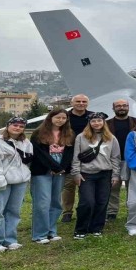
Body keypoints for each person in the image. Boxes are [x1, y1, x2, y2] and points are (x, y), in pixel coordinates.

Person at [0, 116, 33, 253]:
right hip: (1, 182)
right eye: (15, 125)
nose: (18, 128)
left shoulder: (25, 142)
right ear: (8, 125)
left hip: (19, 181)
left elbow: (27, 160)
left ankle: (9, 239)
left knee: (13, 212)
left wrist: (26, 176)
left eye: (21, 126)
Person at [71, 112, 120, 239]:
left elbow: (115, 157)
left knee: (102, 202)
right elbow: (76, 156)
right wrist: (76, 173)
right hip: (87, 174)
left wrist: (115, 175)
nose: (96, 123)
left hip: (105, 173)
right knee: (87, 202)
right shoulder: (81, 137)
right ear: (89, 123)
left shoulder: (111, 138)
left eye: (99, 121)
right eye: (93, 121)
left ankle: (96, 227)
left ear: (103, 122)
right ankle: (81, 229)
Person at [29, 109, 74, 244]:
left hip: (60, 172)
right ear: (50, 118)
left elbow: (69, 153)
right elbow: (39, 153)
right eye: (57, 117)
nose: (60, 120)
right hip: (42, 171)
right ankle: (39, 234)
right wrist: (54, 167)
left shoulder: (69, 134)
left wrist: (61, 168)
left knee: (55, 202)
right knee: (42, 203)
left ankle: (51, 231)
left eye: (63, 118)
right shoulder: (39, 133)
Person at [105, 99, 136, 221]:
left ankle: (133, 210)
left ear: (128, 107)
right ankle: (112, 212)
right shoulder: (106, 124)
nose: (121, 108)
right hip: (113, 159)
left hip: (133, 159)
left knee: (133, 187)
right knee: (113, 187)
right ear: (113, 108)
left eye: (124, 105)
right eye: (118, 106)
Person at [61, 94, 93, 223]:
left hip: (88, 155)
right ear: (71, 103)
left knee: (85, 185)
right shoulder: (65, 117)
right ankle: (67, 212)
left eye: (84, 101)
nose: (81, 103)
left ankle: (83, 210)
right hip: (67, 153)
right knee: (69, 186)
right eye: (78, 101)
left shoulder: (92, 116)